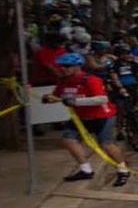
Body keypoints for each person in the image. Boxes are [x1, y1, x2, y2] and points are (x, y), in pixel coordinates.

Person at [47, 52, 132, 185]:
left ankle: (123, 170)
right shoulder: (63, 82)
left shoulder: (90, 80)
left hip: (102, 116)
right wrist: (49, 99)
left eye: (67, 66)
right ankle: (86, 170)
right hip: (81, 118)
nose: (63, 69)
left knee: (106, 144)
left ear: (77, 66)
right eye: (61, 66)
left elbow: (101, 99)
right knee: (68, 139)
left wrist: (75, 102)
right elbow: (58, 96)